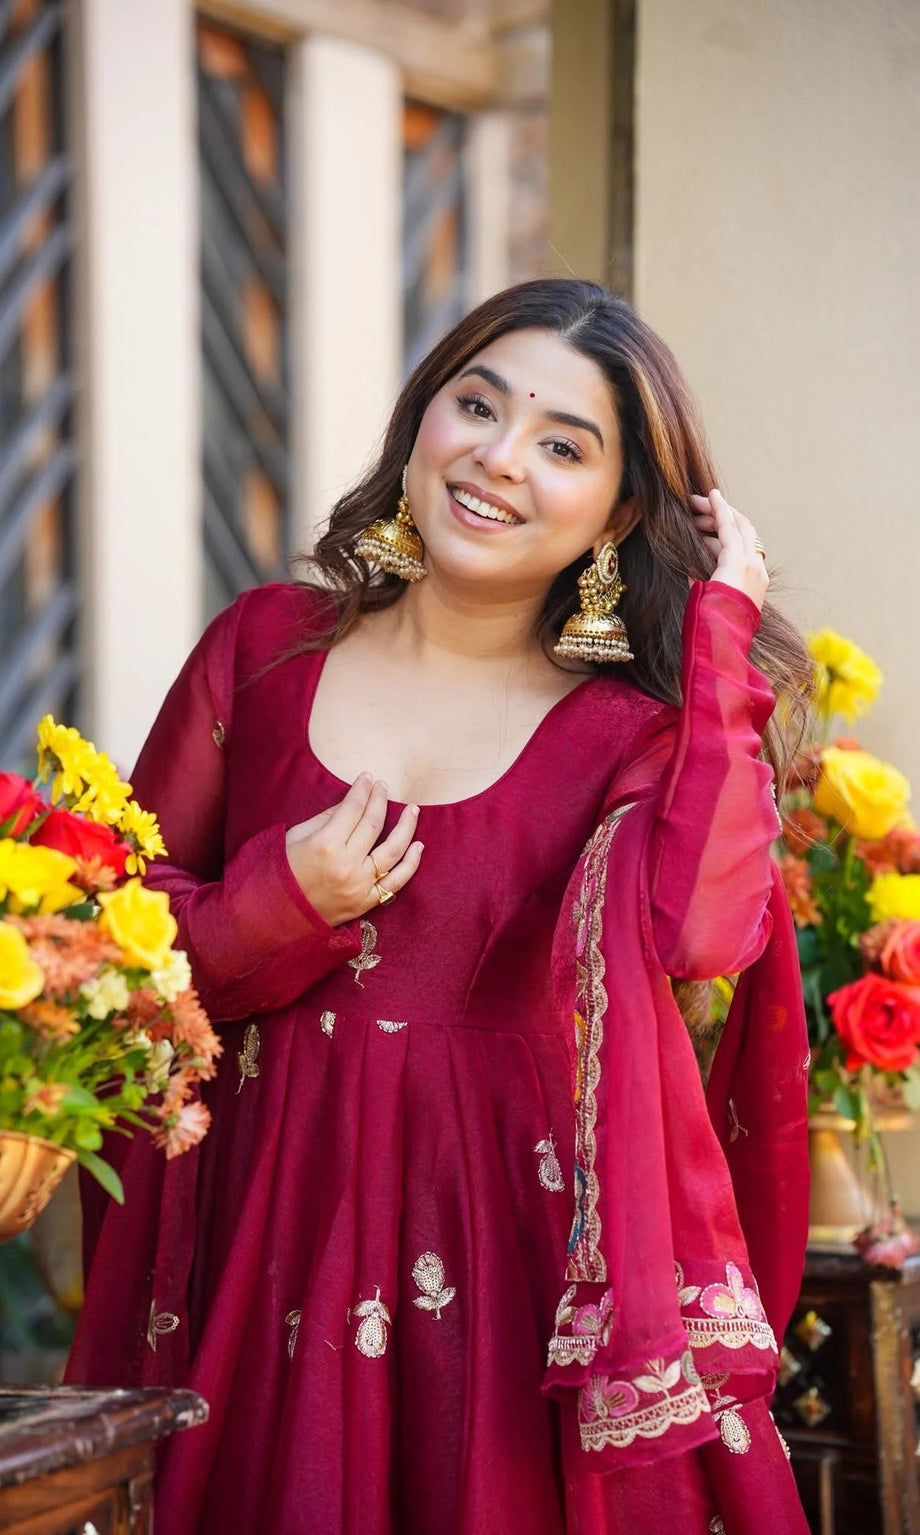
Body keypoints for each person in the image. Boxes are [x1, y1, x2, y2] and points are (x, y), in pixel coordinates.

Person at [67, 279, 814, 1535]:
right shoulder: (261, 651)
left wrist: (722, 641)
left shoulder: (628, 737)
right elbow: (100, 940)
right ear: (422, 421)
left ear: (619, 510)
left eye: (562, 444)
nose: (497, 457)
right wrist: (273, 903)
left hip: (501, 1269)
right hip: (264, 1245)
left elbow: (701, 930)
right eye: (476, 404)